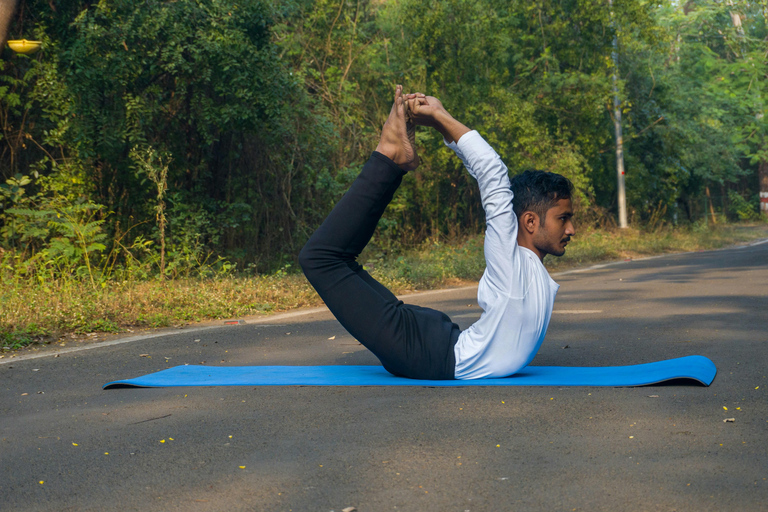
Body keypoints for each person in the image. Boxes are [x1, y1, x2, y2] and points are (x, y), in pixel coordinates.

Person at [298, 85, 576, 380]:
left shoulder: (528, 268)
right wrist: (441, 118)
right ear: (530, 222)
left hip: (434, 344)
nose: (571, 229)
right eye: (563, 218)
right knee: (321, 259)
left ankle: (393, 160)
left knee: (337, 261)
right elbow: (492, 173)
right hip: (423, 352)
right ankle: (389, 156)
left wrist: (440, 124)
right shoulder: (509, 259)